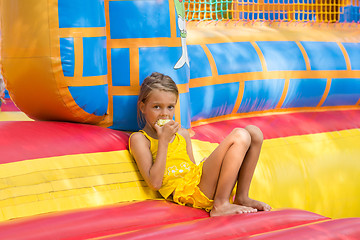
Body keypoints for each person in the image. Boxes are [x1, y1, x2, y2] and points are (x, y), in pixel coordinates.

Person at [129, 72, 271, 217]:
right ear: (142, 107)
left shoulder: (182, 134)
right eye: (157, 107)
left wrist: (205, 166)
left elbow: (191, 167)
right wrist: (163, 142)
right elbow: (155, 183)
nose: (164, 114)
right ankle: (220, 204)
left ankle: (242, 197)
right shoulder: (140, 139)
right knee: (240, 135)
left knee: (254, 133)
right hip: (186, 191)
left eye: (170, 107)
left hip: (197, 182)